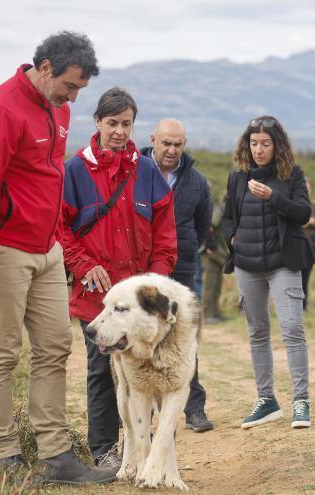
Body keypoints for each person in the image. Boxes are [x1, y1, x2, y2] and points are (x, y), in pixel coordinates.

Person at [0, 31, 115, 483]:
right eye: (70, 85)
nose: (73, 97)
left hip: (48, 250)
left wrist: (61, 249)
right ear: (45, 68)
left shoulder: (58, 108)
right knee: (1, 353)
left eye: (79, 89)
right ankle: (5, 458)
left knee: (54, 347)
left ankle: (56, 457)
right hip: (4, 250)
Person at [61, 88, 178, 469]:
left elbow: (164, 231)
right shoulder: (75, 170)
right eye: (112, 123)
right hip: (96, 300)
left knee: (150, 372)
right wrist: (80, 263)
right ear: (97, 122)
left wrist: (154, 284)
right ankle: (105, 451)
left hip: (141, 304)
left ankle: (152, 451)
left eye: (126, 124)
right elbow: (59, 228)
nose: (119, 131)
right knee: (103, 372)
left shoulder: (146, 170)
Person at [221, 116, 315, 429]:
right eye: (254, 143)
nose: (259, 149)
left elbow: (303, 214)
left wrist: (272, 197)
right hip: (246, 266)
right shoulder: (237, 177)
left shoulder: (292, 174)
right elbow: (226, 216)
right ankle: (266, 400)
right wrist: (232, 236)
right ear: (247, 145)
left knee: (292, 329)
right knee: (257, 333)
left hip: (283, 264)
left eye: (266, 144)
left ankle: (301, 401)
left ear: (277, 146)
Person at [139, 118, 215, 434]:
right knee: (143, 340)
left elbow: (202, 229)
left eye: (178, 144)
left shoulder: (197, 182)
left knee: (183, 340)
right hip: (140, 270)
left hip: (181, 270)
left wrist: (182, 252)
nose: (172, 150)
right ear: (153, 140)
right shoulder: (134, 173)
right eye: (166, 143)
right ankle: (145, 415)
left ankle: (194, 409)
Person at [201, 195, 230, 324]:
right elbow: (209, 227)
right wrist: (209, 246)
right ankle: (207, 315)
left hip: (219, 254)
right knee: (210, 286)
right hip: (212, 253)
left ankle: (216, 312)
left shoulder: (226, 212)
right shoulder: (220, 211)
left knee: (217, 285)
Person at [300, 178, 315, 310]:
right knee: (295, 277)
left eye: (308, 187)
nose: (306, 189)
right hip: (296, 248)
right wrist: (308, 222)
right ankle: (296, 304)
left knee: (306, 277)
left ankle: (304, 304)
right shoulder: (294, 204)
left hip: (311, 247)